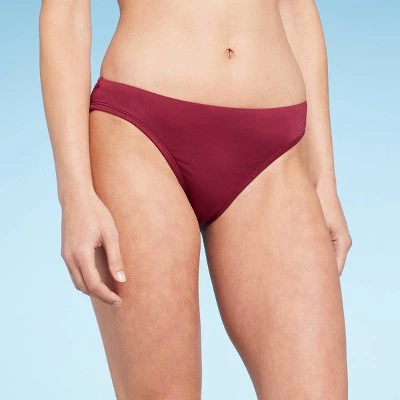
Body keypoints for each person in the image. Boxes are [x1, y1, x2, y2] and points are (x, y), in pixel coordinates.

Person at [39, 0, 352, 398]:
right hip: (142, 133)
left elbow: (296, 8)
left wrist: (324, 181)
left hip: (275, 152)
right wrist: (75, 194)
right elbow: (65, 14)